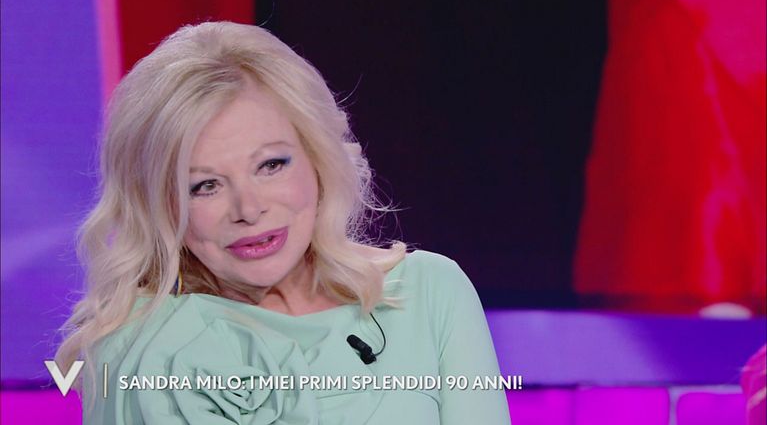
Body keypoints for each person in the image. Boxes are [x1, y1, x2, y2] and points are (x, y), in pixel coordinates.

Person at [56, 21, 511, 424]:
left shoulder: (429, 293)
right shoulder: (138, 348)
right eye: (204, 185)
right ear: (160, 204)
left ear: (317, 159)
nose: (249, 209)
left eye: (271, 165)